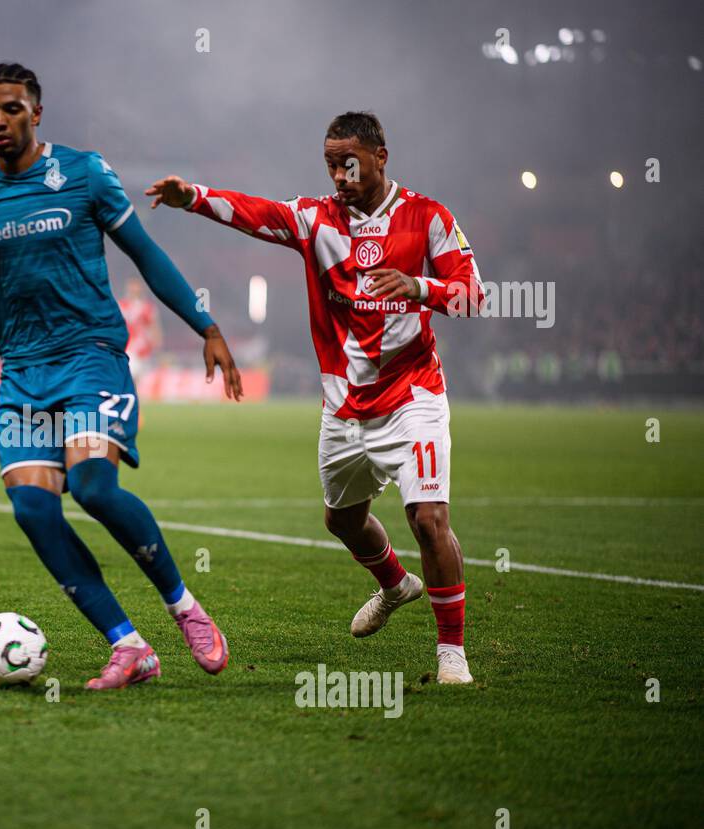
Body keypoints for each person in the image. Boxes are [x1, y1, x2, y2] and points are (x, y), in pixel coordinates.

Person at [0, 63, 243, 690]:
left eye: (10, 109)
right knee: (33, 508)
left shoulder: (85, 174)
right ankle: (129, 645)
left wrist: (208, 326)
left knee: (92, 487)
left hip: (90, 356)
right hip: (25, 371)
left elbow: (145, 254)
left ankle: (183, 606)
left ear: (36, 112)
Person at [148, 111, 483, 683]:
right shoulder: (315, 220)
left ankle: (450, 652)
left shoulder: (428, 217)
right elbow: (255, 213)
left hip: (414, 394)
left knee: (429, 518)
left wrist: (419, 286)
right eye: (330, 163)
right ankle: (395, 584)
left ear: (381, 156)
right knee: (342, 521)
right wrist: (193, 197)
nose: (339, 174)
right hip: (344, 407)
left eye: (349, 161)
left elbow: (473, 297)